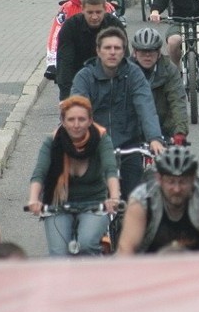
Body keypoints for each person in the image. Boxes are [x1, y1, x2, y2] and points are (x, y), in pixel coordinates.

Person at [71, 27, 167, 199]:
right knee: (87, 202)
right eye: (108, 48)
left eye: (117, 48)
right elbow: (78, 110)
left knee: (135, 202)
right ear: (98, 51)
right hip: (94, 146)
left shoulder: (134, 74)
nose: (112, 52)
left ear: (124, 51)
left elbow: (145, 105)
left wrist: (154, 138)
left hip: (128, 145)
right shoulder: (84, 77)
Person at [27, 95, 121, 256]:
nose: (76, 125)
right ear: (63, 121)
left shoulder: (101, 138)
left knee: (87, 244)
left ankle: (96, 280)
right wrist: (34, 199)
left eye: (81, 119)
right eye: (71, 120)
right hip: (58, 204)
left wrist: (114, 197)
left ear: (90, 120)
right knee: (58, 254)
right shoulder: (53, 142)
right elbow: (39, 173)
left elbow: (110, 169)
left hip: (93, 203)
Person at [117, 146, 199, 254]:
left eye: (182, 182)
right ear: (159, 179)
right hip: (151, 267)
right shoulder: (142, 201)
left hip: (198, 267)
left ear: (193, 179)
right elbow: (126, 248)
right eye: (171, 182)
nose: (177, 189)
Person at [56, 0, 126, 100]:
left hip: (109, 79)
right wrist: (66, 98)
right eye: (90, 12)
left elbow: (124, 60)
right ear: (82, 9)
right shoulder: (70, 27)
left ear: (105, 9)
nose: (94, 17)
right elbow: (64, 63)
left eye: (98, 12)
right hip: (78, 78)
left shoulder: (115, 25)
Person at [44, 0, 106, 81]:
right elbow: (55, 34)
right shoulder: (66, 9)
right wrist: (51, 63)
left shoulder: (107, 8)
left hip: (101, 65)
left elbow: (118, 37)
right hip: (73, 65)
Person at [129, 28, 189, 143]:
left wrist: (180, 132)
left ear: (159, 53)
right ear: (135, 53)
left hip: (163, 128)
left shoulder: (169, 69)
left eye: (151, 51)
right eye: (142, 52)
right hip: (132, 129)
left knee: (172, 158)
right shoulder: (125, 71)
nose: (147, 56)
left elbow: (177, 100)